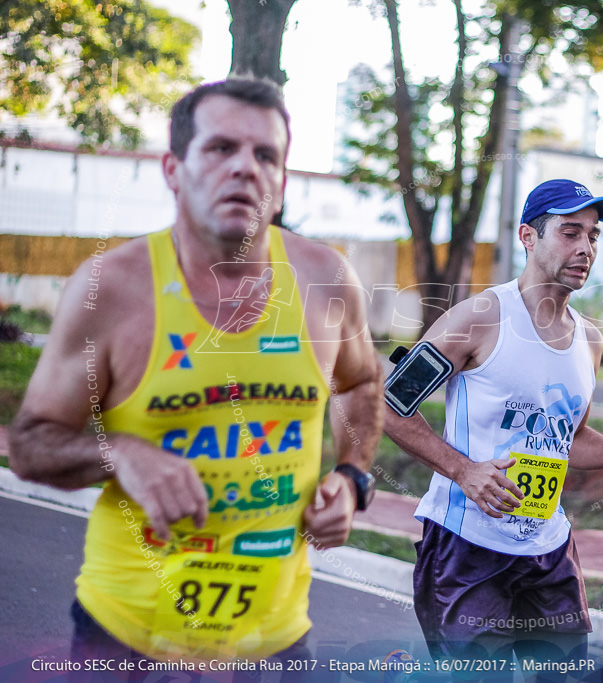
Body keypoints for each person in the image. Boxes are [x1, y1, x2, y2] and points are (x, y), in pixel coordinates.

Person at [9, 78, 383, 676]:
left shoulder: (325, 278)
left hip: (276, 639)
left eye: (266, 156)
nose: (245, 168)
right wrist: (120, 453)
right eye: (220, 148)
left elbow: (360, 383)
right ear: (173, 168)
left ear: (282, 181)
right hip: (128, 634)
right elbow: (30, 445)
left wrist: (352, 475)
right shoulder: (112, 288)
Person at [383, 179, 603, 673]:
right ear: (528, 236)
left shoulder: (588, 340)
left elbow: (571, 442)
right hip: (467, 551)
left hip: (548, 552)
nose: (585, 248)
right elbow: (391, 404)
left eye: (593, 236)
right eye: (570, 232)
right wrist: (463, 471)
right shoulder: (479, 318)